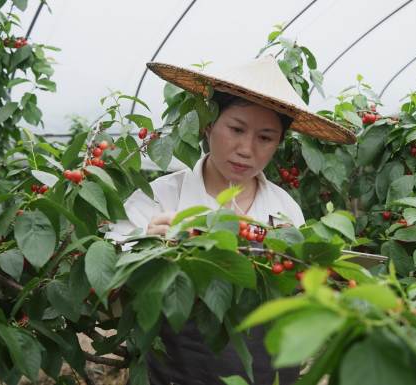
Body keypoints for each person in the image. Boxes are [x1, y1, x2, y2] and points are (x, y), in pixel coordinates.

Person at [107, 55, 356, 385]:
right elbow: (107, 286)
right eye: (236, 129)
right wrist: (142, 249)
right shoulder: (157, 198)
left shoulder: (285, 209)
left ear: (278, 143)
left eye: (265, 138)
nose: (246, 149)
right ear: (209, 124)